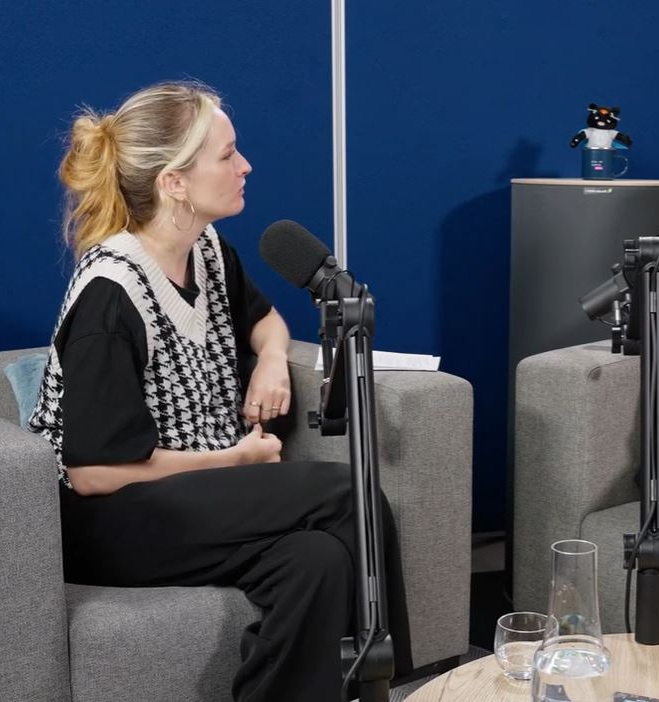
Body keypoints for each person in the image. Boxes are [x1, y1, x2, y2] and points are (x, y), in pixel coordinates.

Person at [28, 80, 409, 701]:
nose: (245, 165)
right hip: (110, 521)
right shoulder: (110, 296)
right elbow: (94, 472)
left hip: (191, 500)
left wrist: (272, 360)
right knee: (345, 493)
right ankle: (402, 686)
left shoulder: (203, 249)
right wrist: (233, 459)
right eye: (228, 154)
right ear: (174, 182)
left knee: (318, 560)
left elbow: (265, 320)